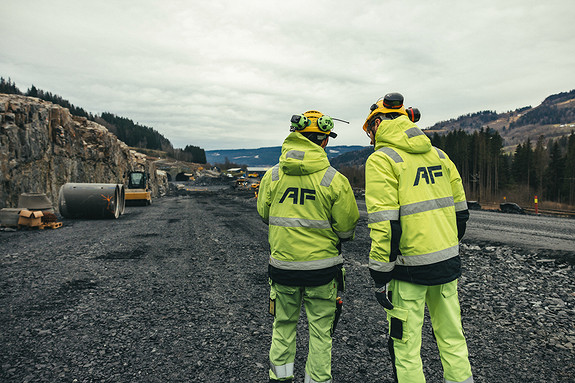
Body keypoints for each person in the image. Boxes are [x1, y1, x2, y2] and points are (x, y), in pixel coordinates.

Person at [362, 93, 473, 383]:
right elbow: (461, 213)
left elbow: (384, 224)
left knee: (406, 347)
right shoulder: (439, 155)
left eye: (369, 130)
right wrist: (444, 246)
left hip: (407, 271)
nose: (371, 138)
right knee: (452, 339)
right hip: (446, 263)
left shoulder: (381, 160)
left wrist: (379, 273)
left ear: (377, 123)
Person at [257, 110, 359, 383]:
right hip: (322, 273)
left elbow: (265, 214)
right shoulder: (335, 180)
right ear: (323, 141)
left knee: (283, 328)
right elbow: (347, 229)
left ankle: (280, 379)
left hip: (282, 271)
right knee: (320, 334)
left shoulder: (273, 176)